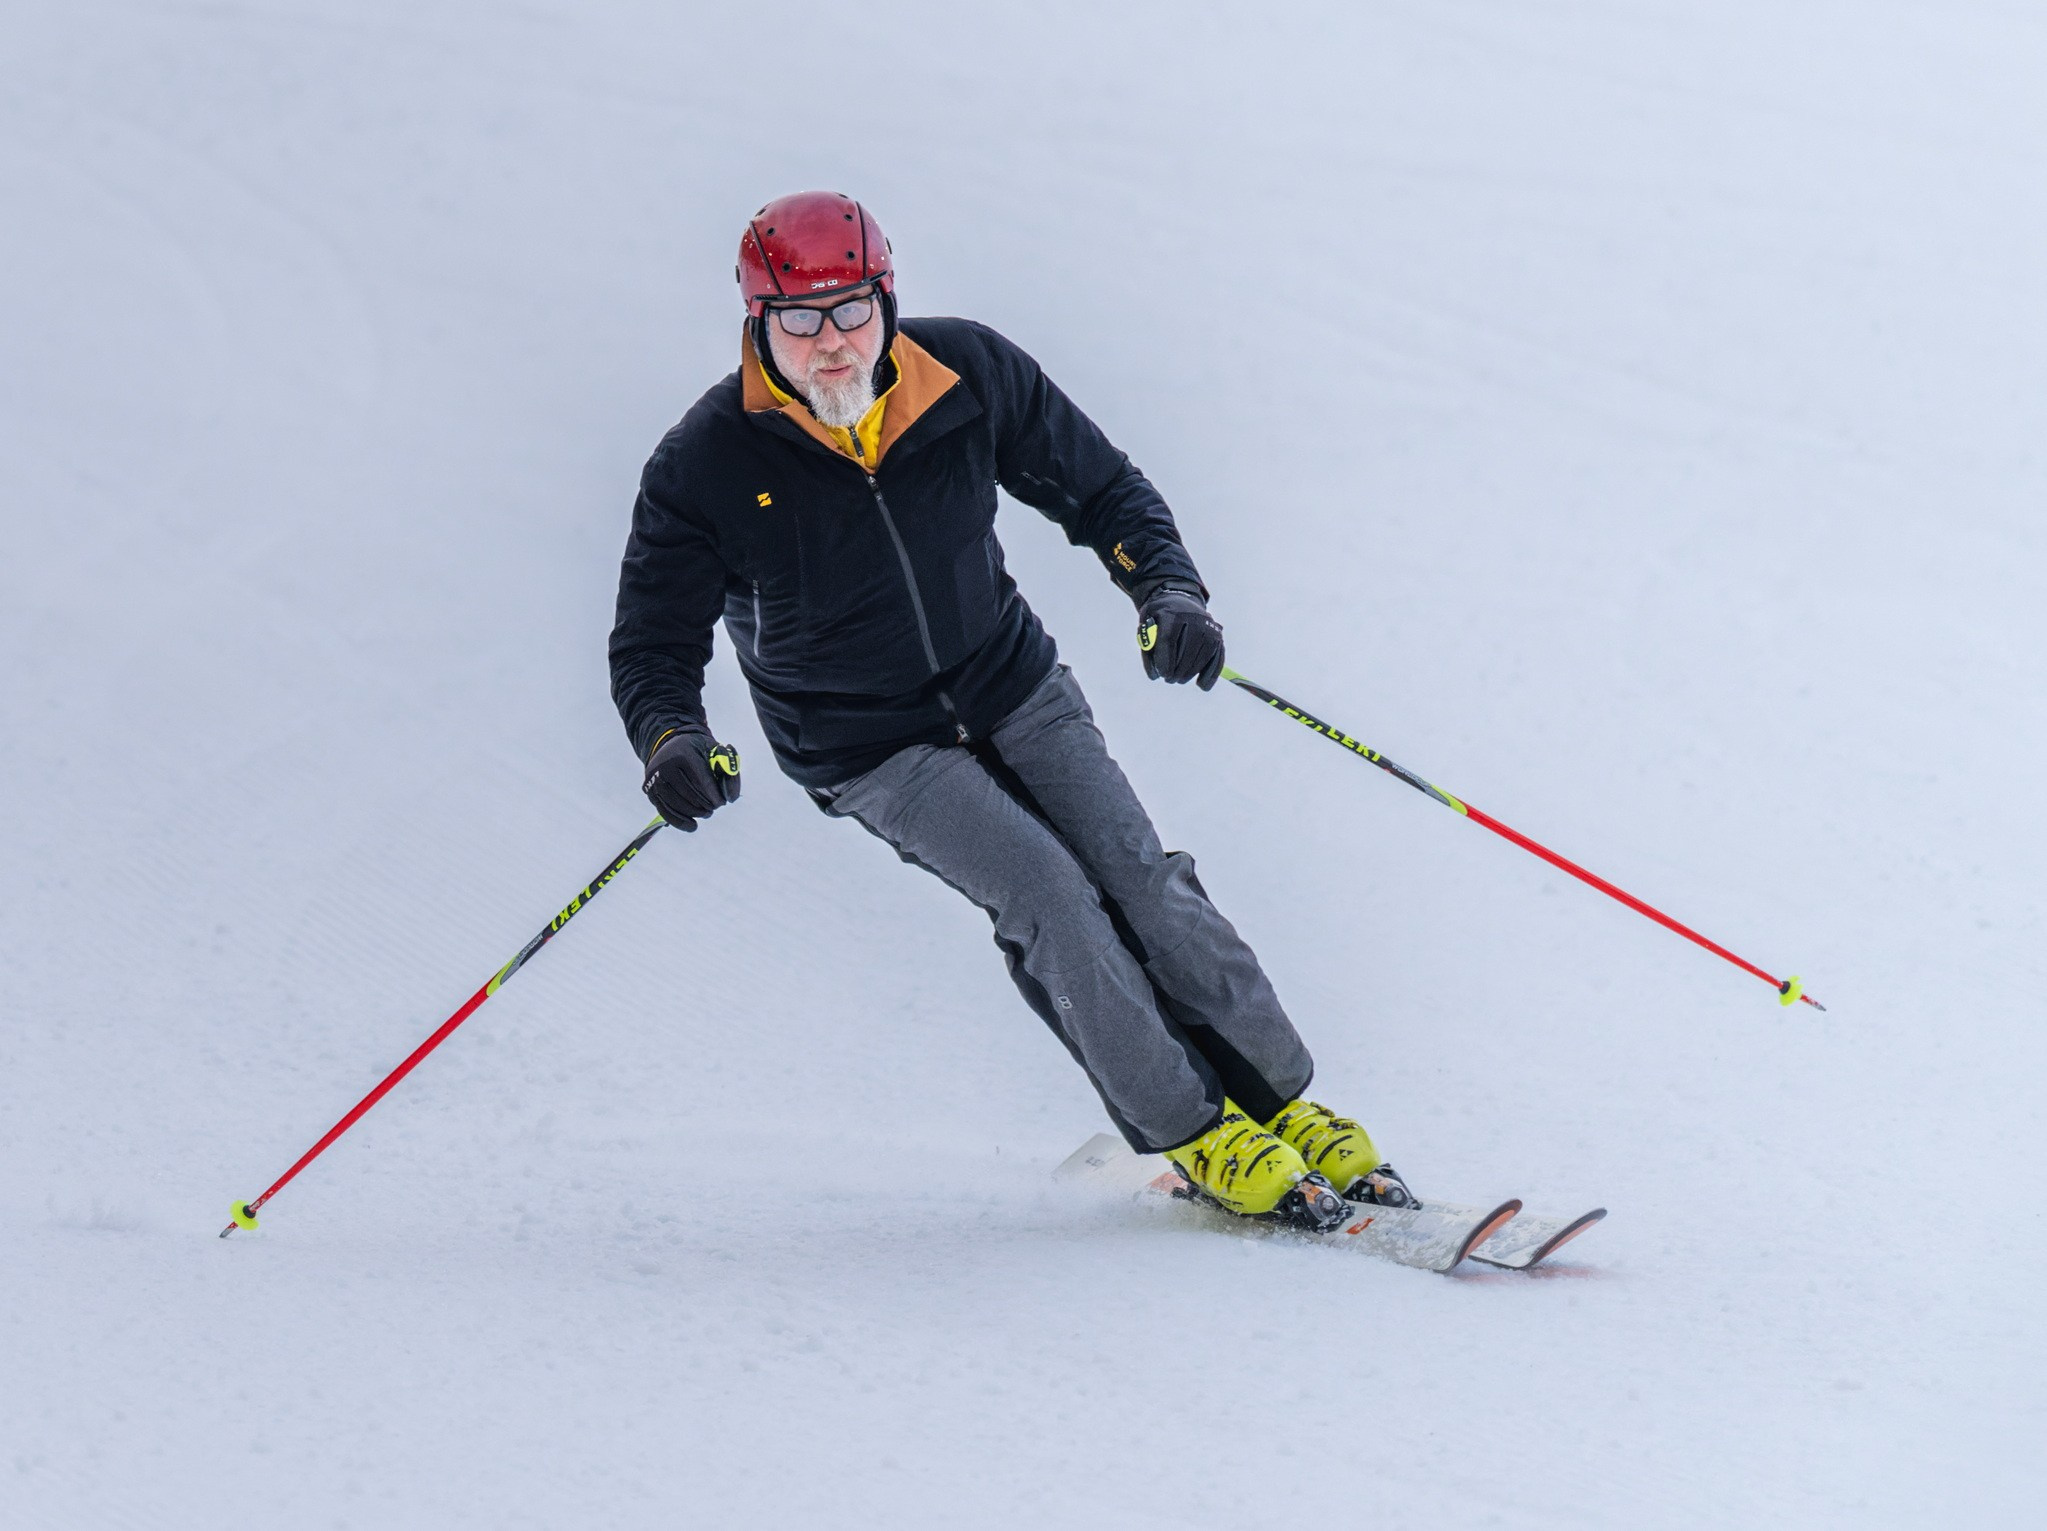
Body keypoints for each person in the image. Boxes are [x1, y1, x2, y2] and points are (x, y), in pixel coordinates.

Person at [609, 190, 1411, 1222]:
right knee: (1050, 897)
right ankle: (1196, 1131)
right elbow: (652, 643)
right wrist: (672, 737)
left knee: (1140, 877)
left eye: (851, 309)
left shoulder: (966, 375)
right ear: (757, 323)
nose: (831, 343)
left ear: (887, 298)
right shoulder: (707, 463)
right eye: (799, 321)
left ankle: (1284, 1105)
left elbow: (1103, 490)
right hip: (866, 742)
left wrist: (1168, 592)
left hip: (1010, 681)